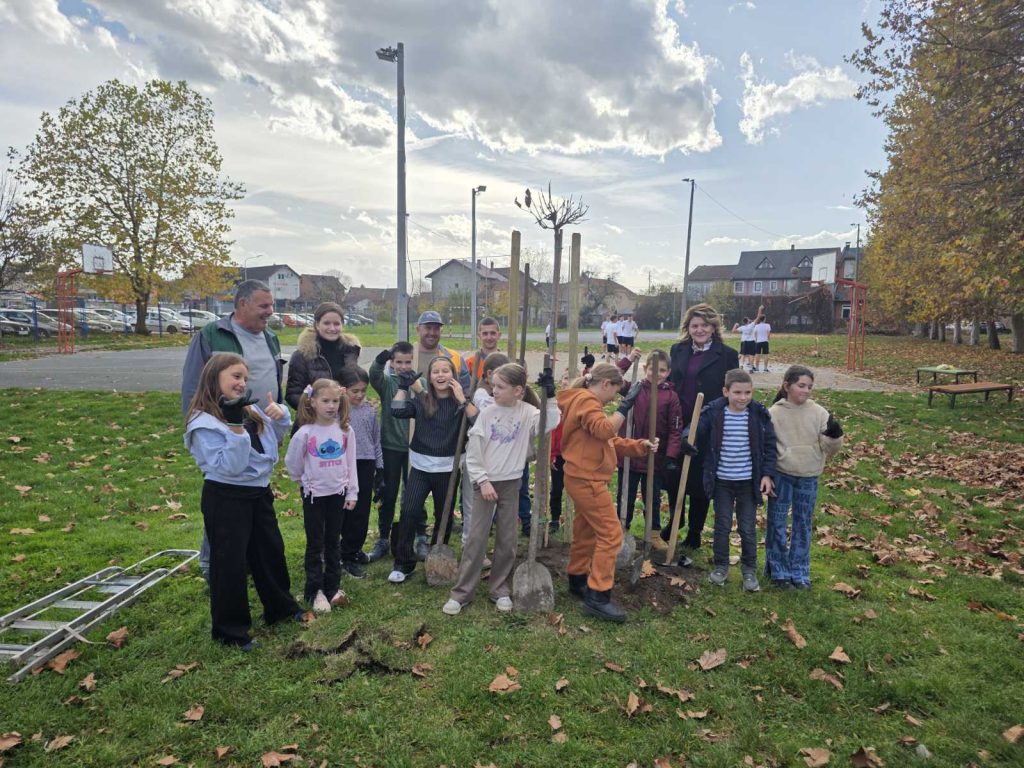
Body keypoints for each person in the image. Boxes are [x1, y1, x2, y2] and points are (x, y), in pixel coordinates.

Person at [184, 353, 302, 650]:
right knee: (230, 564)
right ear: (214, 379)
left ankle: (281, 609)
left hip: (257, 492)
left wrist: (280, 417)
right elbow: (231, 466)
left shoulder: (247, 409)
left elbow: (269, 444)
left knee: (269, 552)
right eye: (235, 376)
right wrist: (235, 428)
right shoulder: (203, 422)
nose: (242, 383)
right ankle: (231, 632)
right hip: (226, 496)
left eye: (245, 378)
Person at [181, 279, 284, 582]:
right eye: (264, 305)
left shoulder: (271, 337)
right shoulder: (213, 334)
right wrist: (195, 423)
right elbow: (192, 384)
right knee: (224, 496)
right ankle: (214, 565)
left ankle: (249, 559)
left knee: (253, 497)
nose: (270, 311)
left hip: (260, 425)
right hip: (224, 427)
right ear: (242, 304)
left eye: (272, 305)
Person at [443, 364, 560, 615]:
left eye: (500, 387)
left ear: (518, 390)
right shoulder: (486, 414)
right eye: (493, 385)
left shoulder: (528, 412)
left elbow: (550, 422)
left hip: (511, 483)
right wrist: (483, 481)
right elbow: (474, 453)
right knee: (476, 539)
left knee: (507, 540)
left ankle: (499, 588)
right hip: (485, 483)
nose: (493, 391)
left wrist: (551, 396)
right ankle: (462, 592)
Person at [556, 363, 658, 622]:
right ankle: (598, 595)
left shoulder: (584, 402)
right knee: (611, 535)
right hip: (587, 480)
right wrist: (625, 408)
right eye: (615, 392)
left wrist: (639, 446)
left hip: (582, 477)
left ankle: (578, 578)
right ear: (605, 385)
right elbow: (605, 430)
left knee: (586, 530)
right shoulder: (587, 401)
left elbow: (607, 440)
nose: (615, 398)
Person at [388, 356, 479, 583]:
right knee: (409, 511)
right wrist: (403, 386)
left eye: (445, 371)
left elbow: (478, 422)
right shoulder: (422, 400)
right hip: (420, 467)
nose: (440, 375)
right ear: (429, 377)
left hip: (448, 469)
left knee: (444, 515)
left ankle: (438, 553)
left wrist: (462, 400)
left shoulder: (462, 403)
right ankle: (404, 561)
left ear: (454, 376)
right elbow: (396, 410)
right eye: (435, 371)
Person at [663, 303, 740, 566]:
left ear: (713, 327)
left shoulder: (727, 355)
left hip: (708, 422)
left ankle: (694, 532)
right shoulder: (678, 350)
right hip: (678, 420)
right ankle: (675, 520)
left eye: (705, 325)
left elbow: (731, 389)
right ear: (688, 328)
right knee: (673, 475)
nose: (700, 330)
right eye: (695, 325)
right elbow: (671, 382)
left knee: (699, 478)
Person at [691, 368, 777, 592]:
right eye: (737, 392)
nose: (743, 398)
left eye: (748, 392)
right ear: (725, 391)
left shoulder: (758, 414)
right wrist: (686, 439)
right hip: (722, 482)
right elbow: (696, 429)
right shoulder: (715, 413)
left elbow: (769, 446)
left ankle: (749, 569)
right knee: (722, 525)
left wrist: (767, 474)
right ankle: (721, 566)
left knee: (748, 528)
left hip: (748, 482)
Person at [765, 365, 844, 589]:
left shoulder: (819, 412)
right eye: (801, 386)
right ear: (787, 386)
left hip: (809, 476)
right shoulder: (774, 413)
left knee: (803, 524)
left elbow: (829, 448)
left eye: (810, 387)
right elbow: (768, 447)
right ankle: (778, 569)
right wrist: (768, 475)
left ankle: (799, 571)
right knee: (777, 523)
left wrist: (835, 436)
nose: (806, 390)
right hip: (782, 475)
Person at [284, 378, 357, 613]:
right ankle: (314, 590)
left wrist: (352, 491)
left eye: (335, 401)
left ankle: (332, 587)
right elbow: (293, 463)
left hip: (338, 494)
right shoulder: (305, 433)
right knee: (316, 543)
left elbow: (351, 463)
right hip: (314, 496)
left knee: (333, 541)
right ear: (312, 402)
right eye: (325, 400)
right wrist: (303, 481)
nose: (331, 406)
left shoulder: (345, 431)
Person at [615, 348, 683, 540]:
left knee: (652, 498)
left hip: (655, 457)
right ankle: (621, 530)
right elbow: (613, 378)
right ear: (645, 368)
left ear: (668, 372)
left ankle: (653, 534)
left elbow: (675, 430)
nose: (657, 374)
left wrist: (670, 455)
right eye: (653, 369)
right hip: (630, 454)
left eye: (662, 370)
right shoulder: (634, 388)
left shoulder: (671, 397)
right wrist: (628, 360)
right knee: (625, 496)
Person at [367, 341, 416, 562]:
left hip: (414, 449)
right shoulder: (387, 383)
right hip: (390, 447)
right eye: (399, 362)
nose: (404, 367)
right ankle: (383, 537)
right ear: (393, 363)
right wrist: (384, 355)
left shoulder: (418, 383)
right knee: (388, 493)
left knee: (413, 494)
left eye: (407, 362)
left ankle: (410, 536)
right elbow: (374, 373)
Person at [337, 366, 383, 578]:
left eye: (363, 390)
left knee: (360, 512)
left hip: (365, 464)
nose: (359, 395)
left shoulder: (369, 411)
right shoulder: (335, 411)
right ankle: (340, 552)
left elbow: (376, 440)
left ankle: (352, 551)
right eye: (354, 391)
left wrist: (379, 468)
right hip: (341, 465)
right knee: (343, 510)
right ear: (342, 390)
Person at [460, 352, 510, 547]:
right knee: (473, 503)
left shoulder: (496, 393)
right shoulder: (481, 393)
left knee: (488, 505)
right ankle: (468, 544)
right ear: (489, 375)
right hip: (478, 455)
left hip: (495, 457)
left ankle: (477, 544)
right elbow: (491, 412)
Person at [285, 302, 361, 409]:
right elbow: (292, 394)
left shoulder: (350, 351)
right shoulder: (302, 355)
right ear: (317, 324)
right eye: (326, 323)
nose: (332, 328)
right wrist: (316, 409)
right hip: (313, 421)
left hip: (344, 420)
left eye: (336, 324)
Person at [413, 310, 470, 389]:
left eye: (436, 329)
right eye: (428, 328)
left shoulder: (454, 357)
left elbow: (466, 390)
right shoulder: (406, 357)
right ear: (418, 330)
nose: (432, 333)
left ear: (441, 331)